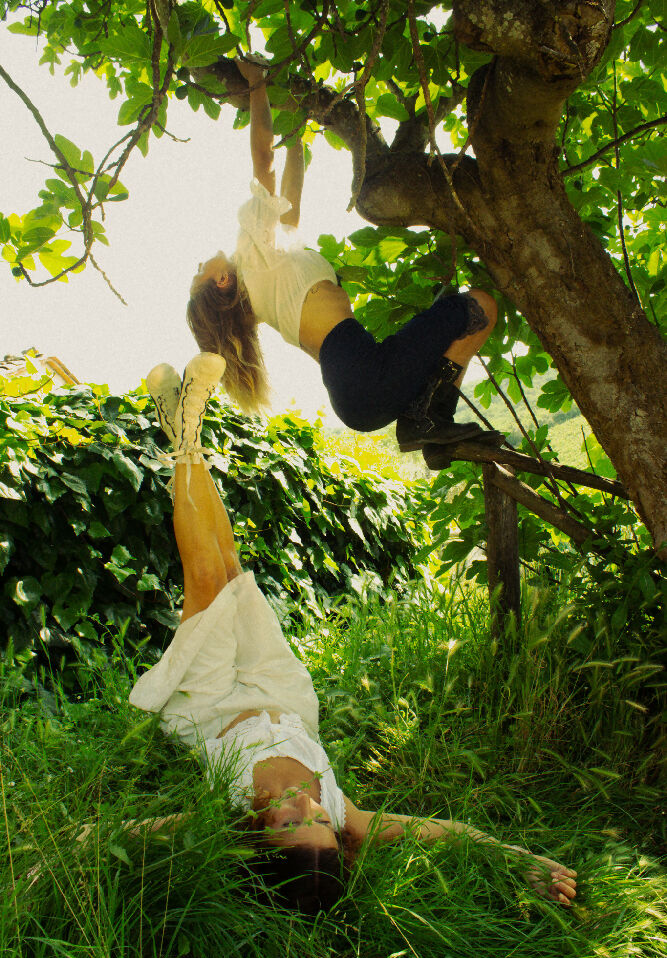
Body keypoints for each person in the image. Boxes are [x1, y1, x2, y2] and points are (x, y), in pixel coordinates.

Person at [125, 353, 577, 914]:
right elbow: (448, 833)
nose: (306, 806)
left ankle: (185, 434)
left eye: (290, 822)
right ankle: (181, 425)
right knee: (231, 570)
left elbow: (126, 834)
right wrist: (514, 857)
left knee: (205, 580)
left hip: (212, 706)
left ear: (258, 837)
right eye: (318, 822)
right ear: (339, 837)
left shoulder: (224, 816)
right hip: (279, 692)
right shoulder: (348, 816)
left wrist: (57, 850)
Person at [183, 56, 504, 459]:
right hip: (362, 376)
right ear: (221, 282)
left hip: (358, 388)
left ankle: (433, 430)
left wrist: (296, 137)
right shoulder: (251, 257)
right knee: (478, 306)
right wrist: (257, 84)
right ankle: (427, 422)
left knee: (463, 312)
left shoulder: (269, 273)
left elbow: (289, 207)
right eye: (199, 273)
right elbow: (263, 160)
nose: (200, 263)